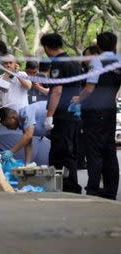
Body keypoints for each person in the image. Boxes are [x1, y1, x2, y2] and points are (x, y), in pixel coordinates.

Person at [72, 32, 120, 200]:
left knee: (94, 152)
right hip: (110, 110)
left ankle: (92, 190)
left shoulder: (97, 61)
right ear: (115, 45)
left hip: (95, 112)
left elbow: (90, 88)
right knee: (110, 150)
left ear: (98, 46)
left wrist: (78, 99)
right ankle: (110, 190)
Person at [41, 33, 82, 194]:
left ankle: (69, 187)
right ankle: (63, 185)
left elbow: (56, 91)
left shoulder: (58, 64)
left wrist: (49, 114)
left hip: (62, 114)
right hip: (73, 114)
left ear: (46, 48)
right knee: (67, 150)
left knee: (62, 152)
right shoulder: (73, 61)